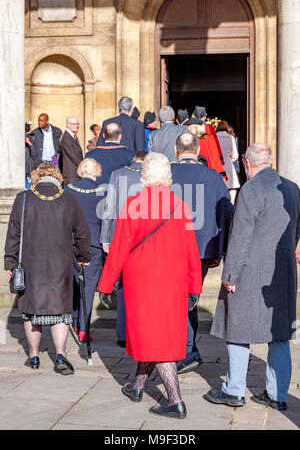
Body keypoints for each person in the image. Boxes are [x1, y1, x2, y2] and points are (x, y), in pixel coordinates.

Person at [98, 152, 202, 419]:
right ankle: (137, 386)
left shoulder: (134, 205)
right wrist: (195, 286)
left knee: (156, 339)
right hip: (173, 282)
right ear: (168, 175)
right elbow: (192, 251)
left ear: (144, 175)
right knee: (156, 334)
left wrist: (106, 284)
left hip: (142, 283)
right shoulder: (180, 205)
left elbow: (118, 250)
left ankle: (175, 400)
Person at [206, 143, 300, 411]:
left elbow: (240, 236)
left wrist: (230, 273)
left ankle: (234, 391)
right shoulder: (292, 188)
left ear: (246, 164)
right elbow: (296, 229)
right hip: (282, 273)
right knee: (279, 334)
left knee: (237, 330)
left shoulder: (250, 189)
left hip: (249, 271)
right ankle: (277, 395)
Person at [4, 163, 91, 374]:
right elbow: (82, 233)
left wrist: (10, 262)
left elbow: (13, 234)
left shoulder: (23, 198)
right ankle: (60, 355)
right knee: (60, 313)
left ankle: (33, 356)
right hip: (60, 265)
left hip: (30, 264)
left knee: (31, 313)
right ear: (58, 178)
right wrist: (83, 257)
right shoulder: (69, 200)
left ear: (36, 178)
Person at [171, 134, 233, 373]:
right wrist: (224, 247)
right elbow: (227, 211)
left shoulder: (166, 174)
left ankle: (187, 348)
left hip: (173, 246)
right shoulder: (213, 177)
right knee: (190, 295)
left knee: (181, 297)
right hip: (203, 247)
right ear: (197, 151)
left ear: (177, 151)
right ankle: (188, 347)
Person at [100, 150, 147, 347]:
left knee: (122, 286)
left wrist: (105, 238)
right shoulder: (150, 175)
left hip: (120, 235)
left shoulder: (118, 174)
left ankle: (122, 334)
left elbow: (109, 208)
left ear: (133, 160)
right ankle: (141, 332)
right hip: (144, 237)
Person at [65, 158, 106, 343]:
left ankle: (74, 320)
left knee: (75, 282)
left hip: (71, 241)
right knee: (89, 285)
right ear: (96, 171)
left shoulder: (69, 190)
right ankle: (83, 327)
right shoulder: (103, 192)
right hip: (94, 242)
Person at [216, 120, 240, 203]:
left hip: (216, 164)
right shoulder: (230, 138)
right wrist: (229, 159)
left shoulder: (213, 137)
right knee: (232, 185)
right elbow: (235, 155)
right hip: (228, 163)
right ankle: (232, 202)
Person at [59, 117, 83, 186]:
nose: (77, 126)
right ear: (68, 125)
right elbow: (73, 156)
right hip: (71, 175)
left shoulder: (73, 137)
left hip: (75, 174)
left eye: (78, 124)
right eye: (74, 124)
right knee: (71, 195)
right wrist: (84, 166)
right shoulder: (66, 138)